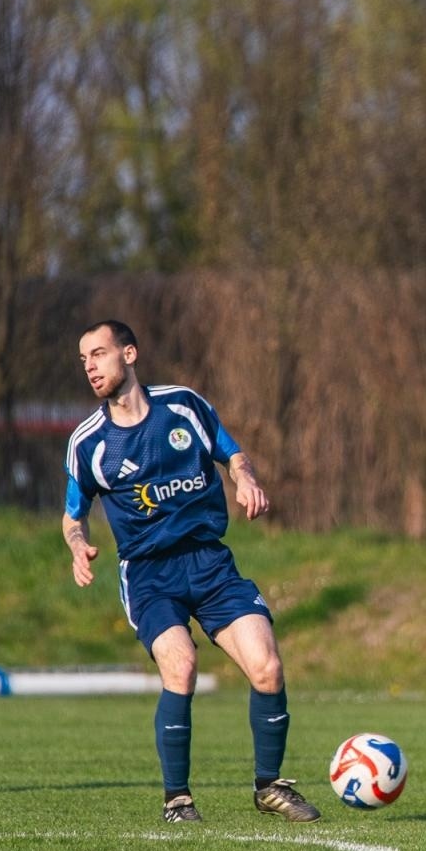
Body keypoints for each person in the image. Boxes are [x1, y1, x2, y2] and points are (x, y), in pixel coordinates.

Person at [63, 320, 321, 823]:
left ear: (130, 353)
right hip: (149, 574)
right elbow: (73, 516)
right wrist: (78, 546)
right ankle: (177, 800)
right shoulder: (89, 443)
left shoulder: (183, 406)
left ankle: (269, 787)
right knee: (180, 665)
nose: (90, 366)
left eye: (98, 353)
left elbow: (234, 454)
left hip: (209, 561)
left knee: (267, 667)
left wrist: (245, 480)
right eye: (83, 359)